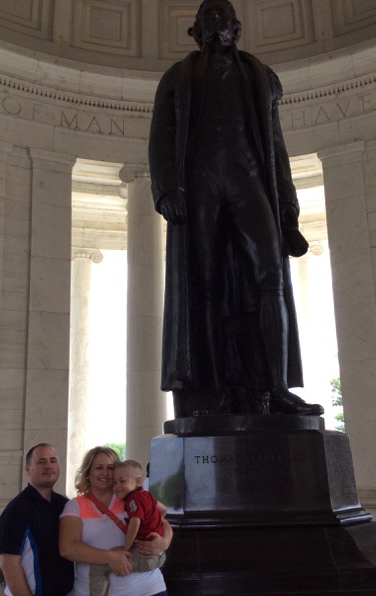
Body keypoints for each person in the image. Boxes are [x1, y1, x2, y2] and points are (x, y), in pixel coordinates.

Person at [149, 0, 324, 419]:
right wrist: (167, 188)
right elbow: (160, 137)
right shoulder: (176, 78)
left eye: (222, 16)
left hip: (248, 179)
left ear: (236, 28)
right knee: (204, 286)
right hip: (200, 184)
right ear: (195, 32)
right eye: (206, 18)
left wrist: (288, 213)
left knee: (271, 278)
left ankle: (277, 386)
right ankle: (217, 388)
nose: (215, 22)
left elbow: (276, 147)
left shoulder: (261, 77)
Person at [59, 447, 171, 596]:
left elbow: (164, 518)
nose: (105, 473)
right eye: (98, 467)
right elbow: (68, 548)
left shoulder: (131, 497)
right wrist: (110, 557)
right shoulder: (75, 506)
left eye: (110, 468)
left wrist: (164, 542)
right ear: (88, 472)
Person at [0, 443, 74, 596]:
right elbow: (8, 563)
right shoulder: (17, 510)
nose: (49, 465)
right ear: (28, 470)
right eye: (41, 461)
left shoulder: (64, 505)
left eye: (53, 460)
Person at [112, 459, 167, 572]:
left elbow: (135, 522)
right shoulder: (147, 495)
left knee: (100, 567)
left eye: (122, 481)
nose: (117, 486)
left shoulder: (133, 499)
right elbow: (163, 510)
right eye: (114, 482)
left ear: (138, 482)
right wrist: (154, 524)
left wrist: (126, 548)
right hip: (160, 555)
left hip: (144, 555)